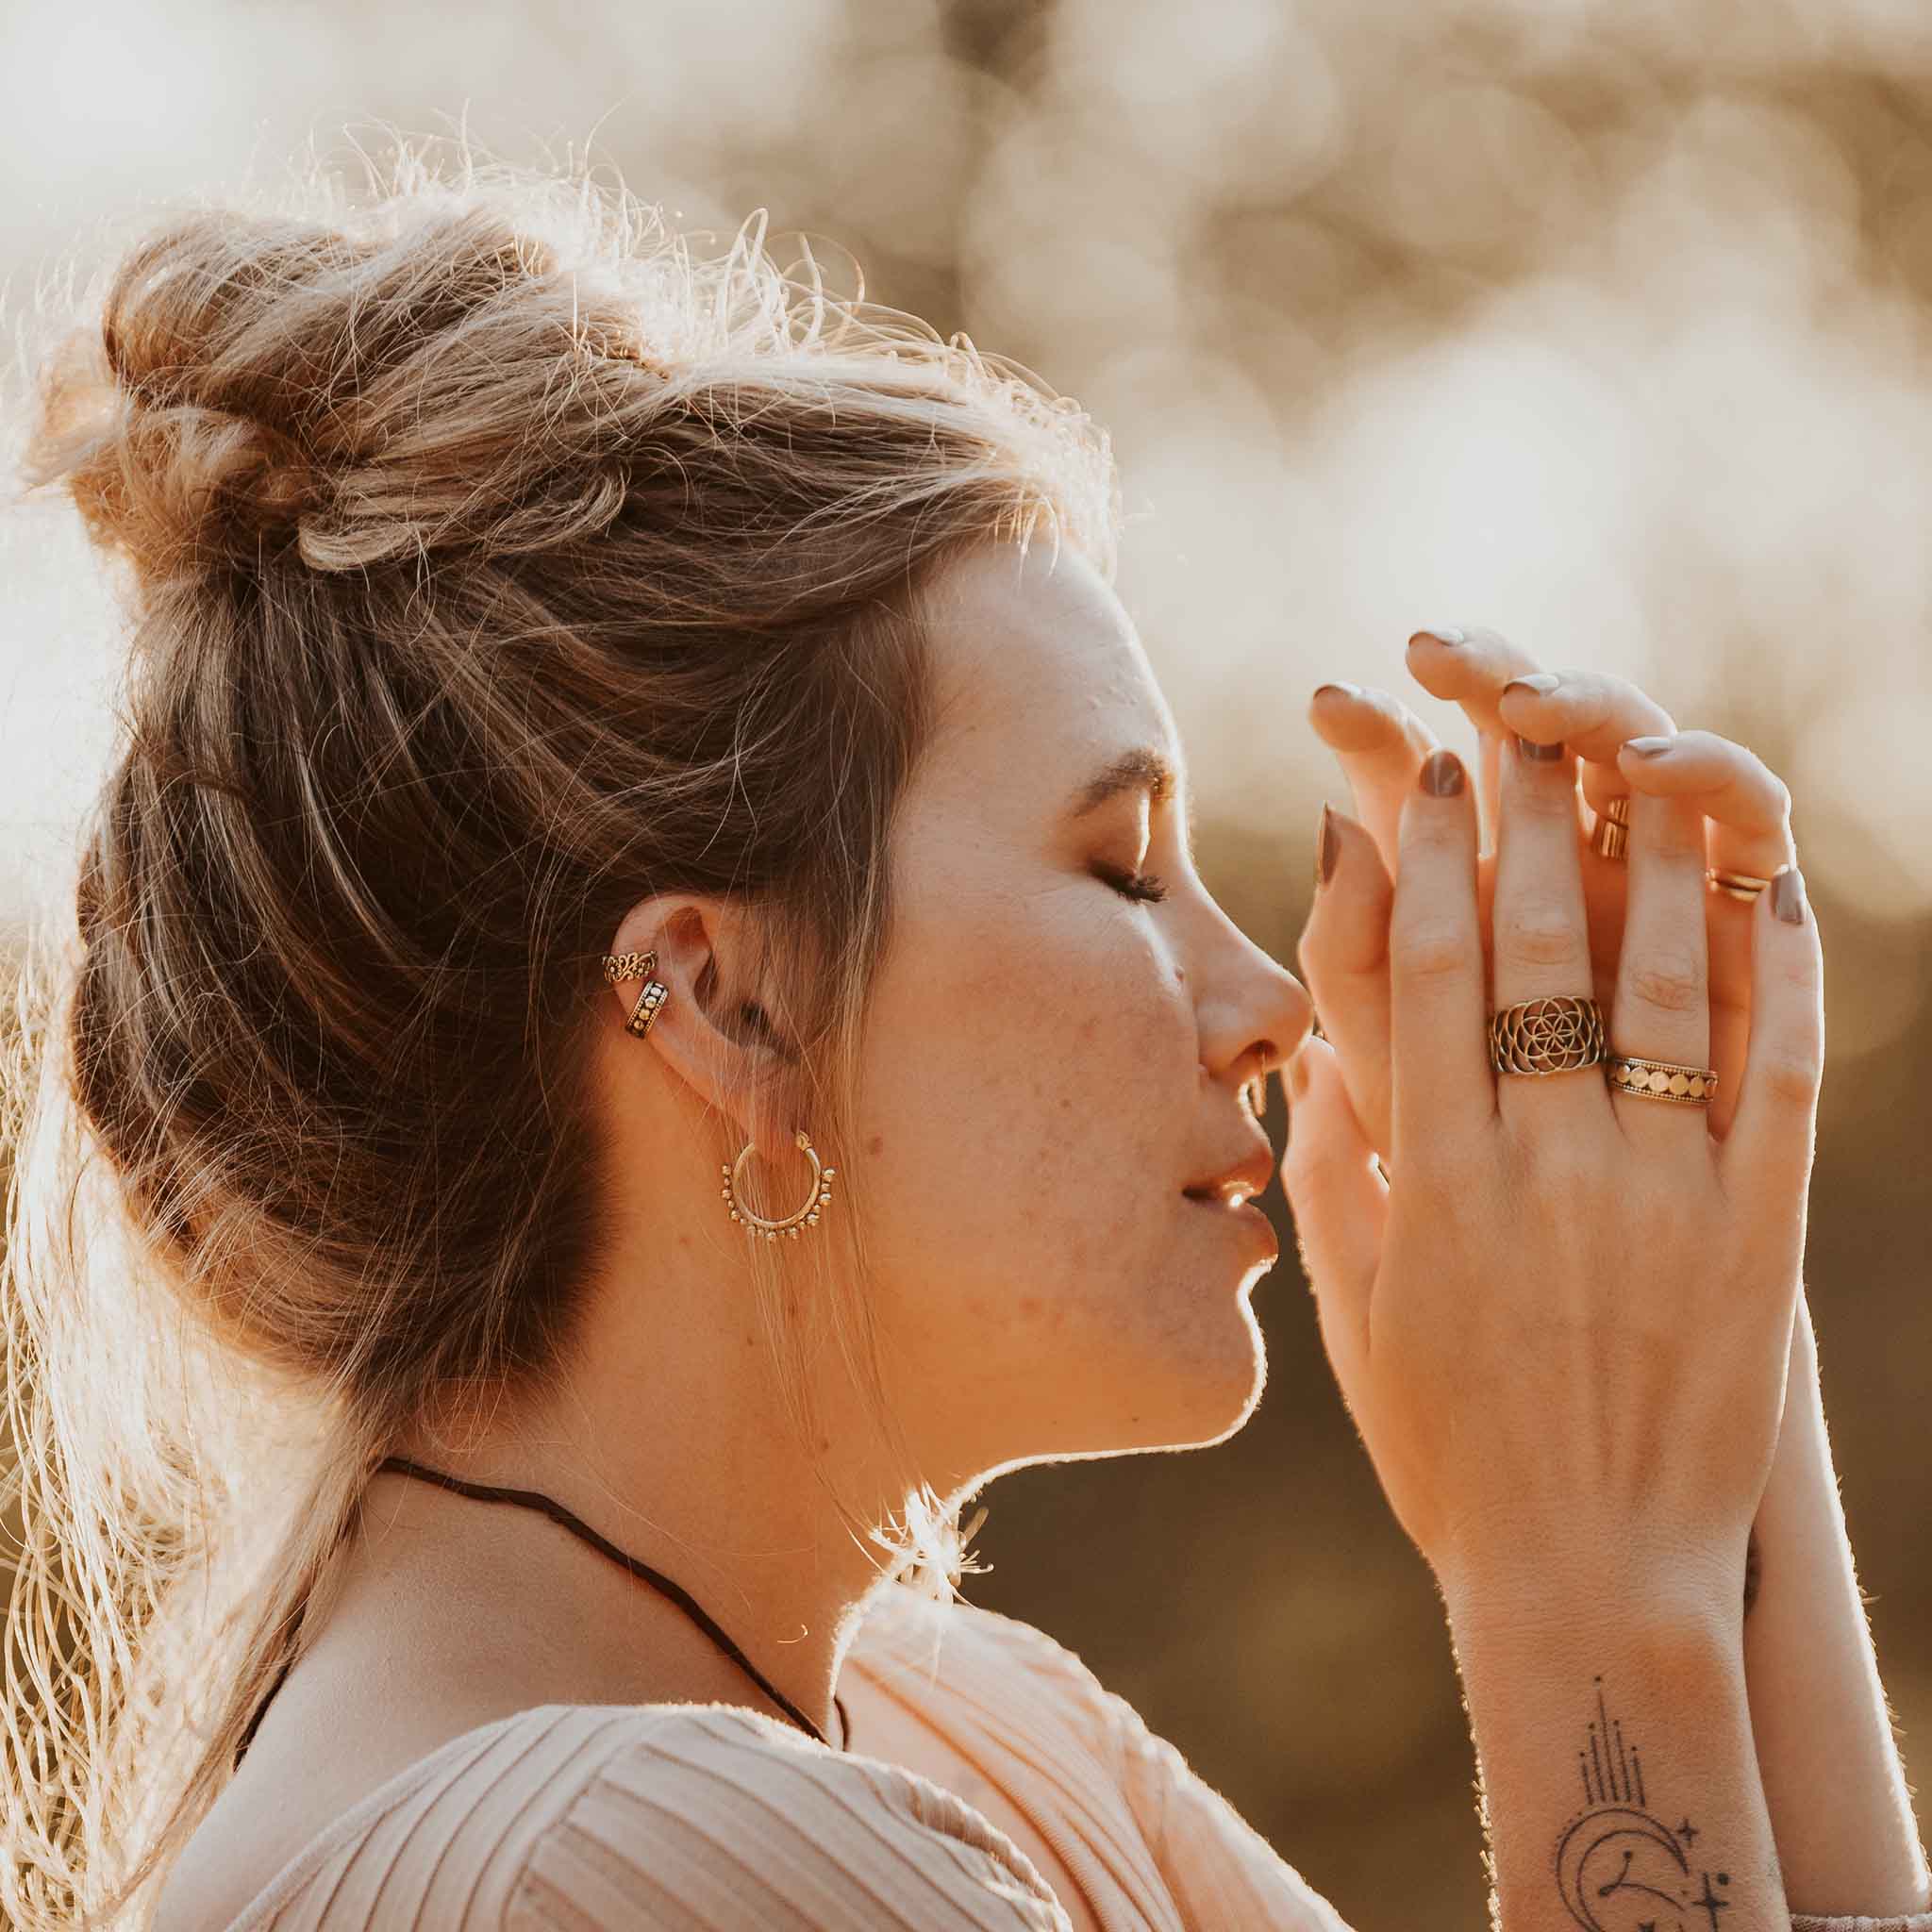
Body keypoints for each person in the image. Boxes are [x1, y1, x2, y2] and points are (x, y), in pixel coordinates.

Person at [0, 150, 1924, 1931]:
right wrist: (1581, 1593)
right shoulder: (623, 1862)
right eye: (1121, 863)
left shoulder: (964, 1730)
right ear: (731, 999)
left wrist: (1696, 1317)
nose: (1268, 1006)